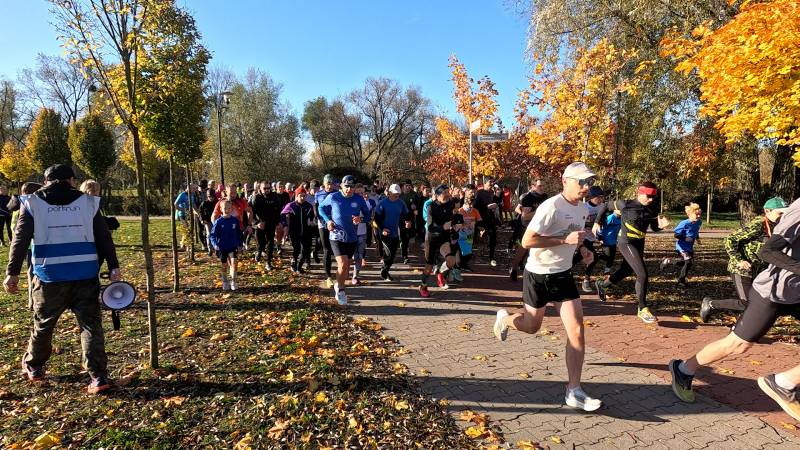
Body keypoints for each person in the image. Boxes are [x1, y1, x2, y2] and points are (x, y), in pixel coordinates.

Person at [669, 197, 800, 421]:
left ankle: (784, 383)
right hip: (773, 292)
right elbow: (768, 251)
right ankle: (683, 369)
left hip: (797, 293)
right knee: (738, 345)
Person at [492, 161, 601, 412]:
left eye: (589, 182)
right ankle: (505, 319)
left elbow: (576, 234)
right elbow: (527, 240)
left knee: (576, 330)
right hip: (538, 274)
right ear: (565, 181)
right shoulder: (551, 206)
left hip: (562, 275)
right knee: (532, 326)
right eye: (581, 182)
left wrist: (583, 248)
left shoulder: (583, 208)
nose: (586, 187)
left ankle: (573, 390)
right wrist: (564, 239)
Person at [4, 164, 121, 394]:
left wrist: (12, 273)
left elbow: (20, 241)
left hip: (49, 277)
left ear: (46, 180)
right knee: (91, 326)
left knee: (44, 324)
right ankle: (98, 376)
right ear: (71, 180)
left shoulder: (32, 203)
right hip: (85, 274)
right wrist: (114, 266)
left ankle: (35, 366)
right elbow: (103, 236)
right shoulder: (88, 202)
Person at [593, 181, 670, 324]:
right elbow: (605, 206)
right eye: (648, 196)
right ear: (639, 193)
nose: (651, 200)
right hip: (626, 242)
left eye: (654, 197)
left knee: (626, 270)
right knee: (642, 274)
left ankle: (602, 284)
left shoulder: (652, 207)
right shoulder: (625, 204)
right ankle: (642, 309)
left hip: (639, 242)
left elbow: (653, 227)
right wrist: (597, 222)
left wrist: (661, 227)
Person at [699, 197, 787, 323]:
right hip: (741, 269)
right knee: (746, 303)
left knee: (761, 301)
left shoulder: (778, 227)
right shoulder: (759, 224)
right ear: (767, 211)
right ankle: (711, 304)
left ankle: (750, 327)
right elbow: (730, 239)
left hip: (759, 270)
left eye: (785, 213)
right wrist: (739, 260)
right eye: (780, 213)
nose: (782, 216)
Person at [318, 175, 371, 305]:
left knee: (346, 267)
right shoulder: (334, 197)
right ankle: (341, 290)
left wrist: (361, 219)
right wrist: (328, 220)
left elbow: (368, 214)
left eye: (351, 187)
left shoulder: (359, 199)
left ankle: (338, 284)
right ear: (341, 185)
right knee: (342, 263)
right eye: (346, 186)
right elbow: (321, 208)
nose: (349, 189)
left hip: (352, 237)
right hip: (336, 236)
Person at [419, 184, 456, 297]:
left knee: (451, 261)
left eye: (448, 193)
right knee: (429, 267)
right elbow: (429, 227)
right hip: (431, 238)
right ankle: (423, 285)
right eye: (444, 193)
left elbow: (453, 217)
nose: (447, 195)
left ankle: (439, 271)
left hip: (444, 237)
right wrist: (442, 227)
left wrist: (456, 225)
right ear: (438, 195)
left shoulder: (450, 204)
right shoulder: (431, 207)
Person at [509, 180, 548, 281]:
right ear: (533, 186)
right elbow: (525, 217)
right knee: (522, 250)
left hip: (541, 227)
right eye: (540, 186)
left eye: (543, 185)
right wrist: (539, 211)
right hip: (527, 227)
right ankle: (513, 268)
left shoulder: (545, 197)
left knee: (537, 251)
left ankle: (535, 274)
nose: (542, 187)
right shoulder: (528, 198)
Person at [660, 202, 703, 287]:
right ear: (690, 214)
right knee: (688, 263)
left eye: (699, 214)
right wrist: (686, 238)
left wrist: (697, 239)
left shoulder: (699, 222)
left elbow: (696, 231)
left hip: (689, 247)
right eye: (696, 214)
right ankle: (681, 281)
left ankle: (668, 261)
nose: (698, 216)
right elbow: (676, 234)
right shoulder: (684, 223)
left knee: (686, 263)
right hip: (681, 247)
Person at [374, 184, 410, 281]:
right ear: (389, 193)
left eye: (398, 194)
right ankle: (385, 272)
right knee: (389, 253)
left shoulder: (401, 203)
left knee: (393, 254)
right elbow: (376, 218)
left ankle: (385, 270)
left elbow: (406, 213)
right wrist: (382, 229)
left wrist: (408, 221)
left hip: (395, 231)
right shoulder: (382, 203)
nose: (397, 196)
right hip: (385, 232)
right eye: (395, 194)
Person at [577, 186, 605, 293]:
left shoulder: (603, 206)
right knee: (594, 257)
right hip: (584, 236)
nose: (600, 199)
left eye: (602, 197)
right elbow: (579, 222)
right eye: (598, 197)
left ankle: (565, 272)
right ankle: (586, 279)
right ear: (592, 197)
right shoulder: (584, 207)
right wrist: (589, 225)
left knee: (578, 257)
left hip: (594, 237)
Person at [249, 181, 282, 270]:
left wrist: (278, 222)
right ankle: (259, 251)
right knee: (260, 243)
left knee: (270, 243)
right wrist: (256, 223)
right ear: (260, 188)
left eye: (268, 188)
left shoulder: (274, 197)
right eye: (265, 188)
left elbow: (279, 210)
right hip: (260, 224)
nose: (267, 190)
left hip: (271, 223)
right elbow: (251, 212)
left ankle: (268, 262)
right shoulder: (256, 198)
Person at [281, 187, 315, 274]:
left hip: (306, 231)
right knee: (297, 249)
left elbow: (312, 215)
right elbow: (282, 214)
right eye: (300, 196)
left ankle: (299, 267)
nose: (302, 198)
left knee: (305, 250)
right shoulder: (291, 205)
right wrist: (285, 225)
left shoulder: (309, 206)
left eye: (304, 196)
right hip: (294, 231)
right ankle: (294, 262)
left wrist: (311, 220)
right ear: (296, 196)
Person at [210, 199, 243, 290]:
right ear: (221, 209)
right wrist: (215, 245)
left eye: (229, 208)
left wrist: (240, 244)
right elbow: (212, 235)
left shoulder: (234, 220)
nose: (227, 210)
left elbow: (239, 233)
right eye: (225, 208)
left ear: (231, 209)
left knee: (234, 263)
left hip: (232, 246)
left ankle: (234, 281)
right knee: (224, 265)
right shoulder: (219, 222)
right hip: (222, 247)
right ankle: (225, 281)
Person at [315, 175, 338, 287]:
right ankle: (328, 276)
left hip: (336, 224)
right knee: (327, 250)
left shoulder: (338, 193)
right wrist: (324, 221)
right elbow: (316, 209)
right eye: (328, 184)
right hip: (323, 224)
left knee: (337, 250)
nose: (330, 186)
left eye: (332, 184)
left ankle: (341, 271)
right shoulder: (318, 194)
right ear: (324, 184)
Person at [351, 184, 375, 286]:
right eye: (358, 192)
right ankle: (344, 274)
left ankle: (355, 276)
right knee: (348, 257)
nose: (361, 194)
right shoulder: (349, 202)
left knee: (359, 256)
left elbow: (369, 217)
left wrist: (360, 219)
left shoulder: (366, 204)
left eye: (362, 192)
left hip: (362, 232)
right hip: (349, 233)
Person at [474, 177, 501, 266]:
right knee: (480, 237)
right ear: (484, 183)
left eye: (493, 182)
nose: (491, 184)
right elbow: (475, 207)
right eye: (490, 182)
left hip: (489, 218)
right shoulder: (479, 193)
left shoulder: (491, 192)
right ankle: (476, 256)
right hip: (480, 218)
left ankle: (491, 257)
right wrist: (486, 207)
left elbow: (496, 203)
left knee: (493, 235)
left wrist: (495, 204)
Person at [457, 189, 482, 272]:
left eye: (472, 204)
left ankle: (463, 265)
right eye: (469, 204)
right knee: (460, 252)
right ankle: (458, 266)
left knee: (468, 253)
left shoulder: (475, 211)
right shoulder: (460, 211)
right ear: (465, 203)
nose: (471, 206)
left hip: (470, 235)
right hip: (460, 235)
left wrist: (481, 229)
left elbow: (479, 222)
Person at [399, 182, 417, 264]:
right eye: (407, 185)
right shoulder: (399, 196)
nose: (408, 187)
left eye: (409, 186)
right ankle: (404, 256)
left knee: (410, 239)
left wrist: (415, 208)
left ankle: (405, 250)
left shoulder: (414, 195)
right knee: (404, 238)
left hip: (411, 220)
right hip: (401, 220)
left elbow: (417, 207)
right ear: (403, 187)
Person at [199, 189, 217, 256]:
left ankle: (216, 248)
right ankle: (210, 249)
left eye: (212, 197)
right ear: (207, 196)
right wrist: (202, 219)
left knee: (216, 234)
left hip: (216, 221)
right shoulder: (204, 203)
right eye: (209, 197)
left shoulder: (216, 203)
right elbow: (200, 212)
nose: (211, 198)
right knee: (209, 234)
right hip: (207, 221)